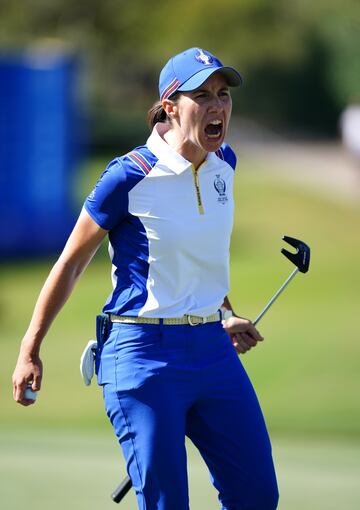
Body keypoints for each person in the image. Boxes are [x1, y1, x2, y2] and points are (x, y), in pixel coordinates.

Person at [12, 47, 279, 510]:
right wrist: (30, 349)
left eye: (223, 95)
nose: (218, 106)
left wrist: (224, 313)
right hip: (142, 357)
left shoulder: (225, 164)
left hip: (212, 353)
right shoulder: (129, 175)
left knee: (256, 496)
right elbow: (71, 263)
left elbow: (200, 254)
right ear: (171, 106)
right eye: (203, 96)